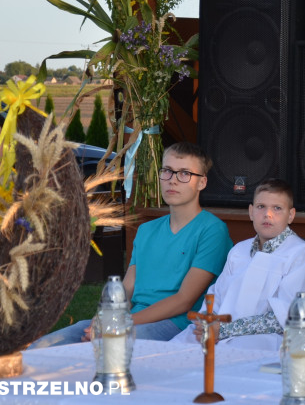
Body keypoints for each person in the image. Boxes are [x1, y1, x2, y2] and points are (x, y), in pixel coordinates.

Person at [31, 142, 232, 347]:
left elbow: (184, 300)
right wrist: (105, 320)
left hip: (177, 325)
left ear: (202, 183)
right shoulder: (147, 230)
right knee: (39, 347)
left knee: (103, 347)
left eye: (184, 174)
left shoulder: (212, 230)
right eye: (168, 171)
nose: (173, 181)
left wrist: (119, 324)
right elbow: (126, 288)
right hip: (132, 320)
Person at [174, 178, 305, 350]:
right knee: (175, 349)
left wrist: (223, 330)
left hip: (269, 339)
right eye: (261, 207)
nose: (268, 214)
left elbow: (287, 317)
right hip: (217, 332)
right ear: (251, 212)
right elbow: (216, 296)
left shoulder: (299, 254)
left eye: (277, 208)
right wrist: (207, 322)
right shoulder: (239, 250)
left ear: (290, 215)